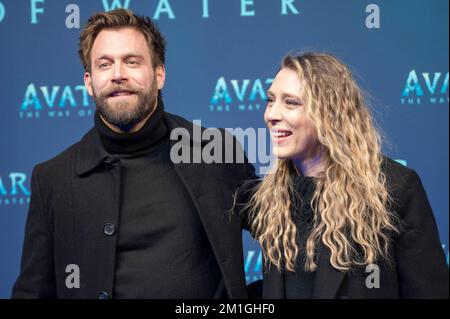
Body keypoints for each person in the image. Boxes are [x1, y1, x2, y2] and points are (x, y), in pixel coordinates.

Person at [12, 8, 255, 299]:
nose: (117, 75)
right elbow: (33, 292)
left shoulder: (215, 152)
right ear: (89, 82)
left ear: (159, 74)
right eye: (104, 64)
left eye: (131, 61)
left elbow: (286, 232)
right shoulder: (53, 180)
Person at [238, 53, 449, 298]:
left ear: (329, 112)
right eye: (270, 100)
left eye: (291, 103)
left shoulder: (394, 188)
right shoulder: (269, 199)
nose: (271, 114)